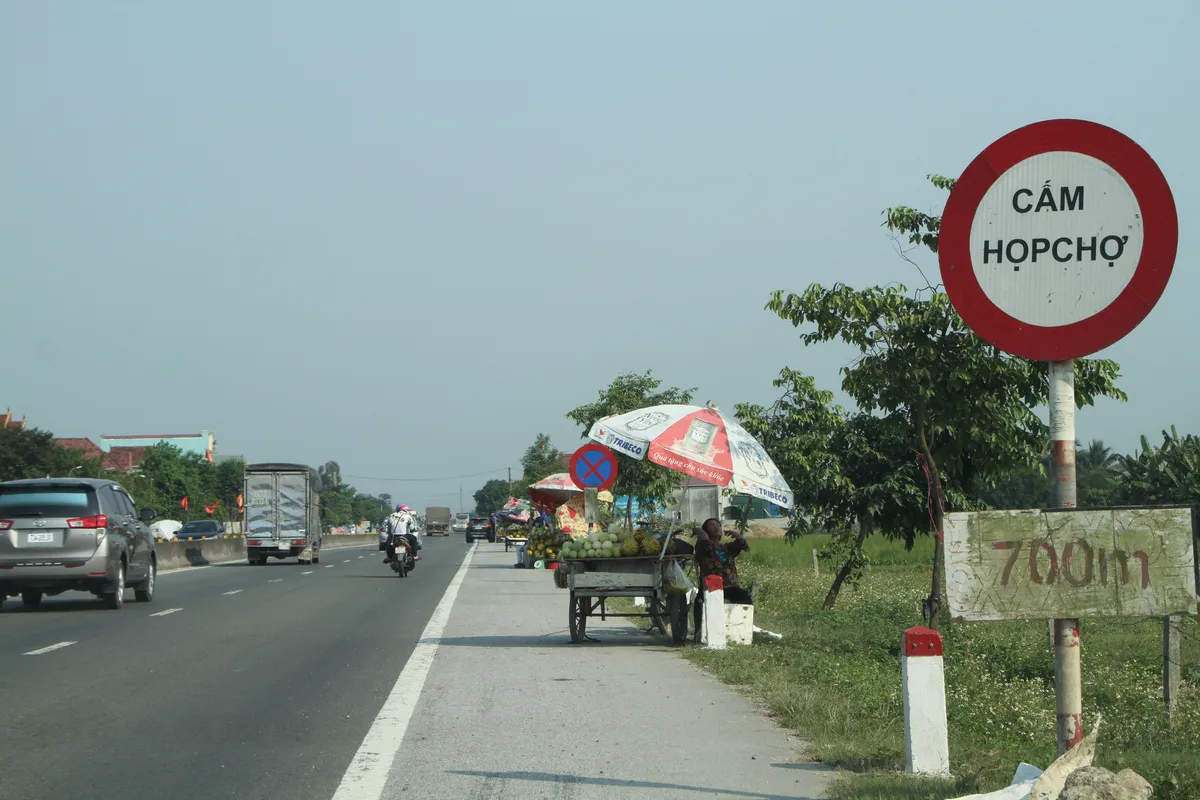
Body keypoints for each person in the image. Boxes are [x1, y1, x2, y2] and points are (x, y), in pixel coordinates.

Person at [693, 518, 752, 605]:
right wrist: (698, 530)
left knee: (745, 597)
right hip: (710, 589)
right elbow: (704, 539)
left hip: (730, 588)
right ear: (706, 530)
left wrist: (735, 534)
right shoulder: (704, 548)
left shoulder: (727, 548)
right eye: (712, 525)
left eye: (718, 525)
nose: (716, 527)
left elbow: (744, 546)